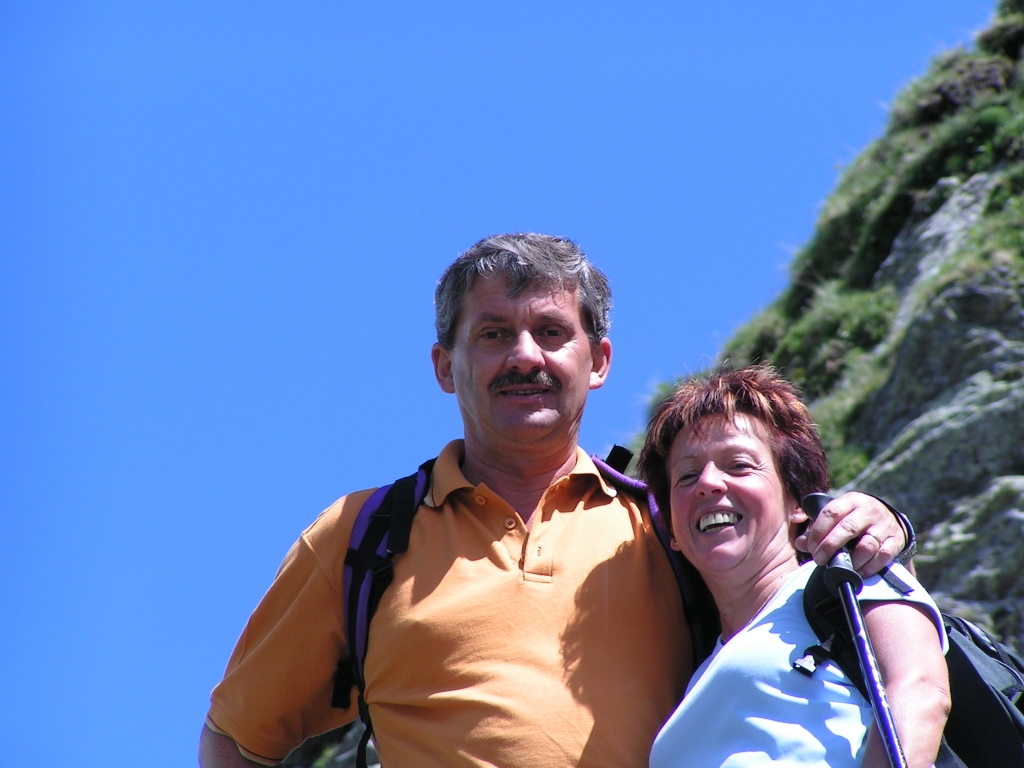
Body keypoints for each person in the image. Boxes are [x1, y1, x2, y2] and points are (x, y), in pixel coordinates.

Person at [199, 234, 913, 768]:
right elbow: (236, 737)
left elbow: (796, 589)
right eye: (492, 334)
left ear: (597, 362)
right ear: (445, 367)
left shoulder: (668, 523)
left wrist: (882, 524)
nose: (524, 356)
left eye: (550, 332)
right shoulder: (361, 537)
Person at [637, 366, 950, 768]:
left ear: (797, 503)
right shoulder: (692, 676)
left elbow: (920, 691)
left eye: (739, 465)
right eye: (687, 475)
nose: (708, 482)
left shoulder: (849, 576)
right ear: (673, 533)